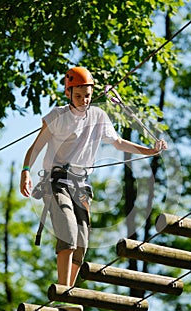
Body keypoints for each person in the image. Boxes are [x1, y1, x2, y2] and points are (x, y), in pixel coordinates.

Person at [20, 66, 167, 291]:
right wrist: (26, 171)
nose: (84, 100)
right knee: (68, 232)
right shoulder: (58, 116)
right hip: (57, 182)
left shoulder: (98, 116)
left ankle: (69, 294)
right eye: (78, 95)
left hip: (81, 185)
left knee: (82, 243)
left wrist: (149, 151)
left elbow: (118, 143)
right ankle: (63, 291)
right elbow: (35, 147)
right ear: (68, 93)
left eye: (87, 95)